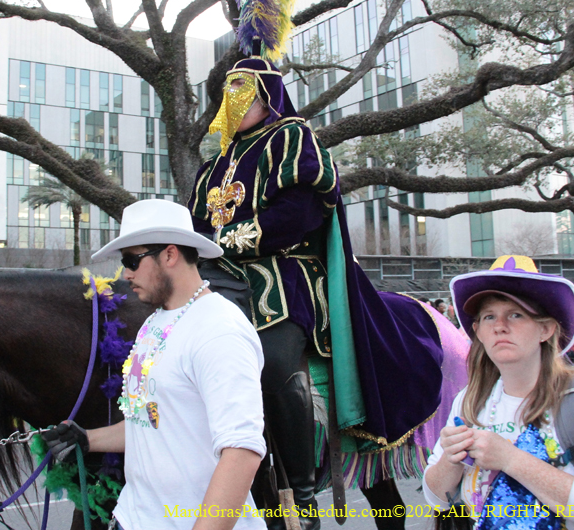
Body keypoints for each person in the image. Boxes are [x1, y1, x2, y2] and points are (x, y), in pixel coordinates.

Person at [188, 55, 445, 529]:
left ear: (267, 97)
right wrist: (203, 249)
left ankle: (301, 501)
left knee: (274, 355)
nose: (234, 102)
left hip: (284, 272)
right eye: (229, 94)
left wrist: (227, 241)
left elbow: (299, 215)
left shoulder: (290, 137)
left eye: (244, 92)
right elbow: (197, 224)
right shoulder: (212, 166)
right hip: (217, 272)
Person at [45, 200, 267, 530]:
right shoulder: (154, 322)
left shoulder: (220, 329)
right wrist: (88, 439)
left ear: (170, 255)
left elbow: (241, 452)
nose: (126, 273)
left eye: (131, 260)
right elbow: (151, 421)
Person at [423, 255, 574, 529]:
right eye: (489, 316)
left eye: (516, 314)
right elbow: (437, 499)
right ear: (478, 331)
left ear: (546, 329)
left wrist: (511, 459)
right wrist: (451, 459)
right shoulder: (468, 401)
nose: (499, 326)